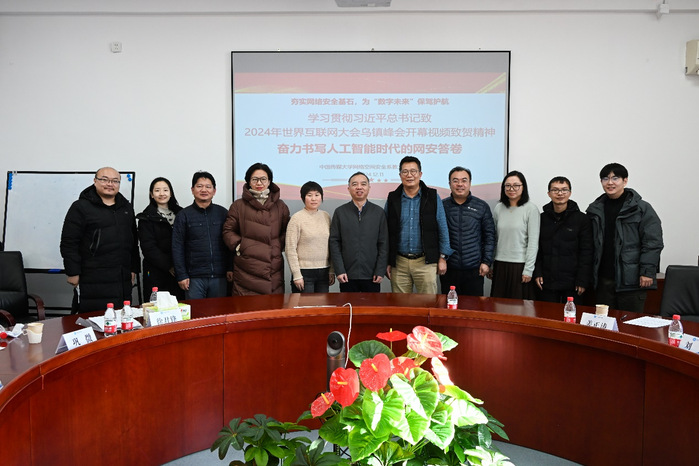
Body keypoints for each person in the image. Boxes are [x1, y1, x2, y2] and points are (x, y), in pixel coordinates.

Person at [60, 167, 140, 312]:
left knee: (120, 316)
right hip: (92, 275)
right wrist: (72, 272)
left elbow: (133, 241)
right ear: (95, 181)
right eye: (104, 180)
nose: (110, 184)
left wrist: (133, 268)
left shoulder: (126, 207)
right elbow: (69, 242)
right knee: (92, 318)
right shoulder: (80, 207)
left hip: (121, 276)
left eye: (115, 181)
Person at [586, 163, 663, 312]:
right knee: (604, 322)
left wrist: (647, 272)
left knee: (630, 322)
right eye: (605, 178)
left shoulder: (641, 208)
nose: (610, 182)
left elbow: (653, 242)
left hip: (631, 280)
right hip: (604, 280)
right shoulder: (595, 209)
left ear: (625, 180)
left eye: (615, 178)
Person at [385, 156, 454, 294]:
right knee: (400, 304)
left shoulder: (432, 196)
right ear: (400, 175)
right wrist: (387, 260)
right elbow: (386, 230)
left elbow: (442, 227)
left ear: (420, 174)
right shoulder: (393, 198)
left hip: (425, 262)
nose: (409, 175)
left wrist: (442, 257)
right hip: (399, 263)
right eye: (405, 171)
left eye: (413, 171)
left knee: (428, 303)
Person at [223, 163, 290, 295]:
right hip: (247, 266)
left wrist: (276, 246)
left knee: (272, 306)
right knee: (248, 306)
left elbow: (287, 231)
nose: (259, 183)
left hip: (273, 266)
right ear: (248, 182)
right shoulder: (238, 205)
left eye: (263, 179)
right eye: (255, 179)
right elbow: (228, 231)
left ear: (269, 181)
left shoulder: (280, 206)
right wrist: (241, 246)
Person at [171, 171, 232, 299]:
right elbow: (177, 247)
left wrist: (230, 268)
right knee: (195, 311)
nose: (204, 190)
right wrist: (181, 274)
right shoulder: (183, 215)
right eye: (199, 186)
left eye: (208, 186)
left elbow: (229, 243)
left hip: (219, 276)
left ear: (214, 191)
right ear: (192, 190)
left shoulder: (223, 213)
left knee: (218, 311)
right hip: (193, 277)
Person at [533, 176, 593, 304]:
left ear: (570, 193)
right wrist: (537, 273)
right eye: (555, 190)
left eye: (564, 190)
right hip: (546, 280)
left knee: (571, 315)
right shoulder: (541, 219)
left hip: (573, 282)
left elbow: (586, 252)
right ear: (549, 193)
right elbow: (536, 249)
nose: (560, 193)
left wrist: (582, 280)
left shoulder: (582, 219)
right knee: (546, 314)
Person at [329, 172, 389, 292]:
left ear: (369, 188)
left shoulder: (378, 212)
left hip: (372, 275)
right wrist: (339, 270)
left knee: (371, 305)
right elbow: (334, 243)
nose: (359, 187)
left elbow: (384, 244)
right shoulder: (340, 212)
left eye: (363, 184)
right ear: (348, 188)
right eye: (355, 184)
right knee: (348, 304)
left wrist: (380, 270)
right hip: (347, 275)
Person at [441, 167, 495, 297]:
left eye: (464, 180)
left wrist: (486, 262)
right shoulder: (442, 206)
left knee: (473, 307)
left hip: (474, 269)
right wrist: (440, 258)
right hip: (449, 269)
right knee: (450, 306)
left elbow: (489, 236)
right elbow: (436, 235)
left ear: (470, 183)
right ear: (449, 184)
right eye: (455, 181)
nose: (460, 184)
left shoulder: (481, 206)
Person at [491, 170, 539, 299]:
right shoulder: (498, 208)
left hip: (520, 266)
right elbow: (494, 238)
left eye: (516, 185)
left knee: (517, 306)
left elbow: (533, 243)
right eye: (508, 186)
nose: (511, 189)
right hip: (500, 263)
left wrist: (528, 269)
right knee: (498, 304)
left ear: (523, 187)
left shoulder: (531, 209)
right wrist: (491, 264)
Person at [136, 177, 184, 300]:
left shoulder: (182, 213)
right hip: (156, 272)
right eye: (157, 190)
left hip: (180, 271)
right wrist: (169, 266)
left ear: (171, 193)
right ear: (152, 194)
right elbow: (148, 248)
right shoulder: (146, 217)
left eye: (165, 190)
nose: (162, 194)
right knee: (157, 307)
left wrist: (179, 266)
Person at [285, 181, 335, 293]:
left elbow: (331, 244)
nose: (313, 199)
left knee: (322, 304)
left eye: (317, 195)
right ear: (303, 198)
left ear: (321, 197)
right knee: (306, 304)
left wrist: (332, 270)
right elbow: (290, 248)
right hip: (304, 272)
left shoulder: (326, 216)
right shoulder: (296, 218)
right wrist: (296, 275)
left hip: (324, 271)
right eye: (309, 195)